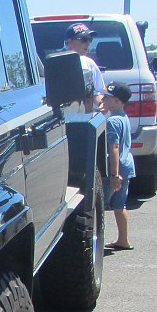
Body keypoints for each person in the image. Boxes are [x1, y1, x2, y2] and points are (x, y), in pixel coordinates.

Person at [98, 81, 135, 250]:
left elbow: (114, 148)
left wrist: (114, 175)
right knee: (120, 205)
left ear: (117, 101)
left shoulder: (112, 122)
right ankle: (123, 240)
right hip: (127, 168)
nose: (103, 99)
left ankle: (96, 241)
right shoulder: (123, 118)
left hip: (115, 170)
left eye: (107, 97)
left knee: (100, 206)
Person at [65, 22, 105, 109]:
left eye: (89, 40)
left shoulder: (89, 63)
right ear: (70, 41)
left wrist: (101, 104)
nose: (88, 43)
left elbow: (97, 92)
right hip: (63, 115)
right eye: (84, 39)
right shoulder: (56, 64)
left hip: (85, 115)